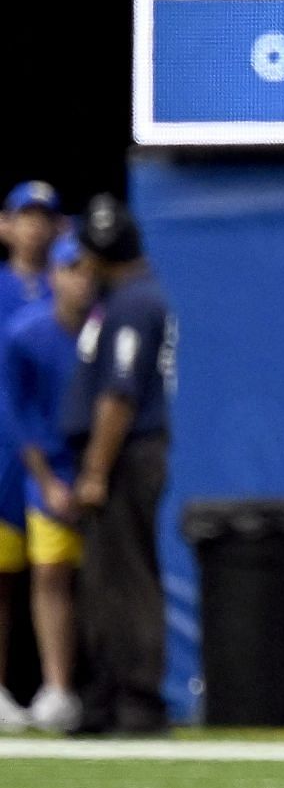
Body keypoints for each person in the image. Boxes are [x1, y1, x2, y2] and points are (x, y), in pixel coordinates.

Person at [64, 197, 175, 736]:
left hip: (126, 454)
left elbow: (119, 395)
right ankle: (105, 695)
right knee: (104, 579)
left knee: (126, 577)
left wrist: (95, 470)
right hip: (124, 452)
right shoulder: (121, 299)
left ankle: (138, 698)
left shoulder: (133, 304)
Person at [0, 234, 90, 732]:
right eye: (70, 268)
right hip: (26, 463)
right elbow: (16, 408)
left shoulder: (106, 331)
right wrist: (45, 477)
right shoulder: (22, 332)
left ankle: (68, 688)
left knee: (86, 578)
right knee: (25, 573)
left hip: (85, 470)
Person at [0, 181, 57, 731]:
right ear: (5, 225)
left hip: (52, 452)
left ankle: (58, 690)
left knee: (52, 569)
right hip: (2, 450)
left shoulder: (73, 288)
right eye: (25, 216)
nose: (34, 227)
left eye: (45, 217)